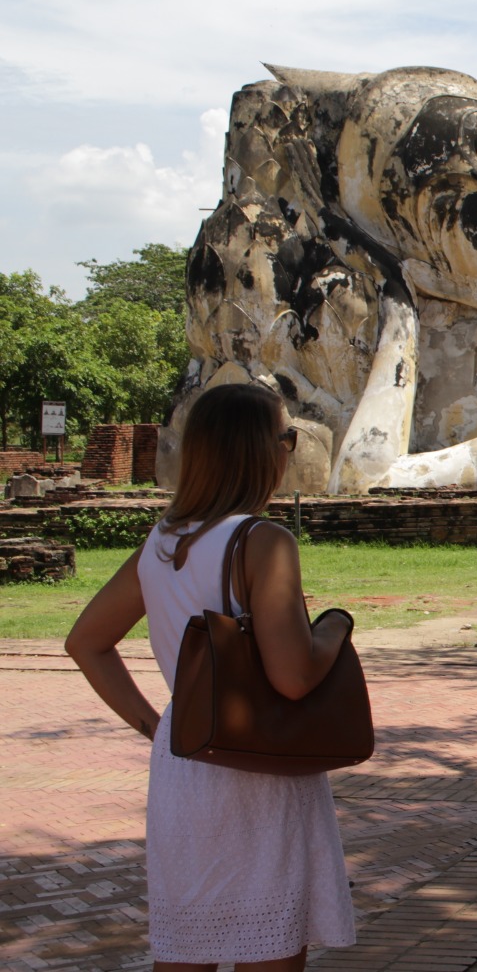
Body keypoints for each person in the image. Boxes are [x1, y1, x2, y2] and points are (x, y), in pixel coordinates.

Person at [65, 383, 356, 971]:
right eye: (286, 438)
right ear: (260, 450)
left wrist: (155, 725)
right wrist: (335, 627)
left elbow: (86, 642)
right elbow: (294, 677)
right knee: (269, 947)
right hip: (260, 765)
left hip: (187, 757)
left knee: (186, 944)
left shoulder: (163, 542)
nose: (288, 451)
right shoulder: (263, 541)